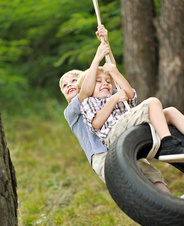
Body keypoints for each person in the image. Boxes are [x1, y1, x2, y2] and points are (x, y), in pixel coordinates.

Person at [59, 25, 171, 195]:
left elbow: (112, 71)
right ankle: (153, 211)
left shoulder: (102, 95)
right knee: (128, 185)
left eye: (73, 81)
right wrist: (97, 58)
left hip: (123, 141)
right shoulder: (72, 110)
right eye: (64, 85)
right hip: (101, 155)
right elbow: (85, 93)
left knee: (151, 175)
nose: (69, 86)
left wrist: (106, 42)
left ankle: (170, 203)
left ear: (85, 79)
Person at [78, 42, 184, 164]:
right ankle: (168, 144)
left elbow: (130, 94)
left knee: (171, 112)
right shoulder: (89, 101)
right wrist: (113, 100)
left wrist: (114, 72)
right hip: (114, 134)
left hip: (130, 125)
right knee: (152, 102)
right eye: (98, 81)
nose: (105, 83)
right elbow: (96, 123)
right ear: (88, 87)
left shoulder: (117, 94)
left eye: (108, 81)